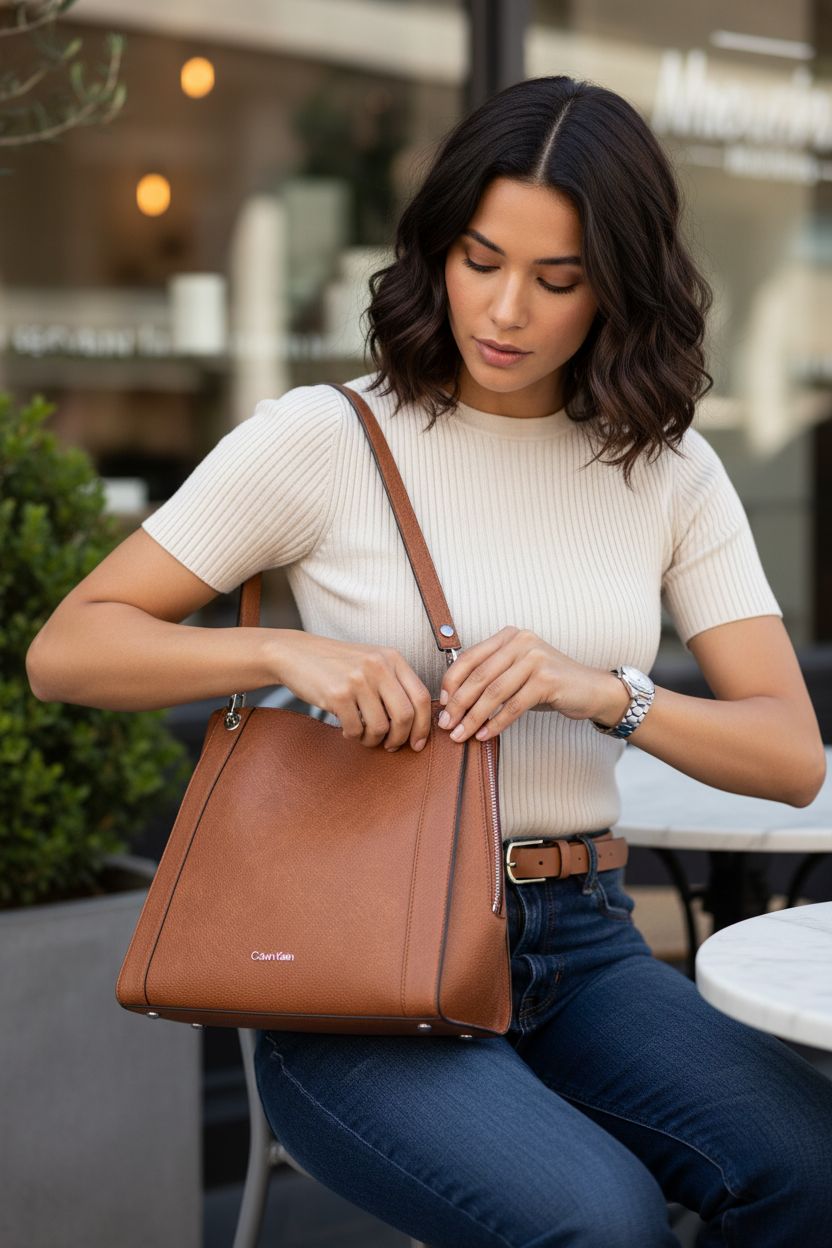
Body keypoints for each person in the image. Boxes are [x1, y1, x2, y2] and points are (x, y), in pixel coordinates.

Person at [26, 74, 832, 1248]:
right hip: (357, 971)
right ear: (433, 250)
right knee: (597, 1223)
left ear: (618, 287)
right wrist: (282, 652)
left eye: (557, 281)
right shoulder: (324, 440)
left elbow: (789, 756)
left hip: (583, 942)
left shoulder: (665, 473)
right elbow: (69, 648)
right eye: (478, 258)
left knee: (809, 1166)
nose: (505, 310)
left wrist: (601, 691)